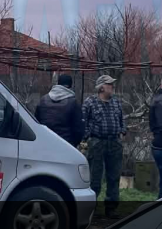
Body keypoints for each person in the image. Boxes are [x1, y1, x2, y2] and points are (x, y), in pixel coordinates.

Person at [83, 74, 127, 218]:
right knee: (95, 177)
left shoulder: (116, 102)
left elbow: (122, 119)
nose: (112, 87)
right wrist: (87, 137)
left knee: (114, 176)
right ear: (101, 87)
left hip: (114, 142)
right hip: (97, 142)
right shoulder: (90, 102)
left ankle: (111, 208)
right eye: (109, 84)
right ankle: (91, 208)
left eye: (112, 84)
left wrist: (122, 132)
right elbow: (83, 121)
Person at [35, 73, 85, 147]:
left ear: (58, 84)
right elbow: (78, 129)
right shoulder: (73, 102)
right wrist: (74, 144)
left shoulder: (43, 100)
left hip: (45, 143)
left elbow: (36, 122)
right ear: (70, 86)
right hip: (66, 144)